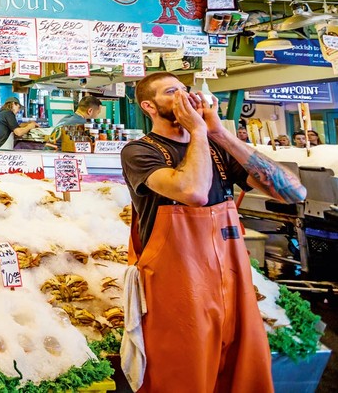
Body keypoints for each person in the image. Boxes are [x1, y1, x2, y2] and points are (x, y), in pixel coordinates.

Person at [119, 72, 305, 391]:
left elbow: (294, 193)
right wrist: (199, 132)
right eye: (171, 93)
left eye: (185, 90)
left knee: (242, 377)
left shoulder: (217, 150)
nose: (185, 97)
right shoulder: (139, 152)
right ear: (149, 106)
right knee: (182, 379)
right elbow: (193, 192)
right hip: (177, 292)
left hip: (234, 288)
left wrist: (219, 132)